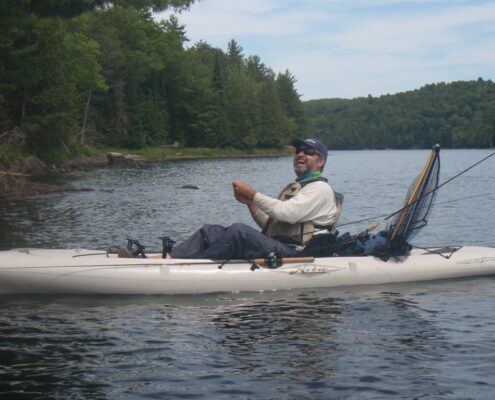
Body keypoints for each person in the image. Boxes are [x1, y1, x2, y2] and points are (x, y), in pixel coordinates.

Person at [169, 138, 339, 260]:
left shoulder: (320, 188)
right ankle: (169, 258)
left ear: (320, 161)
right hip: (281, 245)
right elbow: (270, 226)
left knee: (239, 232)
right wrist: (251, 204)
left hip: (299, 253)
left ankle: (196, 266)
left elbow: (286, 213)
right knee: (210, 231)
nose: (300, 154)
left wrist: (253, 195)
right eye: (298, 151)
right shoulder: (298, 187)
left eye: (308, 151)